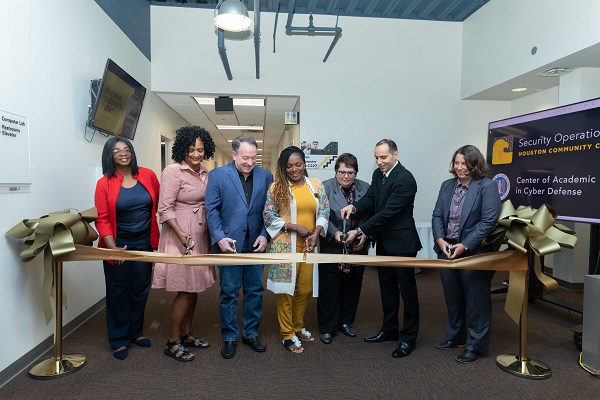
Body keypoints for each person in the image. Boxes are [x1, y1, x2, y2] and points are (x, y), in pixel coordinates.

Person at [341, 138, 421, 358]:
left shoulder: (406, 179)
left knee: (408, 292)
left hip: (403, 244)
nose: (379, 161)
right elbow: (371, 199)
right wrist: (354, 206)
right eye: (376, 157)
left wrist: (360, 231)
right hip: (384, 241)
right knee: (387, 289)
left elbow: (387, 213)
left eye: (383, 157)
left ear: (396, 155)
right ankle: (389, 329)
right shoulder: (378, 175)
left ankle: (409, 338)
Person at [152, 126, 217, 362]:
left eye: (200, 150)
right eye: (191, 150)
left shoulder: (205, 173)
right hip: (180, 236)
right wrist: (180, 233)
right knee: (185, 290)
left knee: (195, 288)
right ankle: (172, 341)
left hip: (199, 235)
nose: (196, 154)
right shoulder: (173, 171)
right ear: (182, 149)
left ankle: (186, 333)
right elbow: (164, 209)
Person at [431, 144, 501, 363]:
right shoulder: (447, 185)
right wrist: (440, 239)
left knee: (475, 300)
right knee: (453, 297)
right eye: (457, 163)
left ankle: (476, 346)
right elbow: (437, 215)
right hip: (447, 249)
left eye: (465, 164)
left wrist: (466, 245)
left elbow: (488, 221)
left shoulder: (487, 186)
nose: (460, 168)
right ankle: (455, 337)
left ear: (475, 164)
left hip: (474, 251)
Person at [205, 136, 273, 359]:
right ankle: (230, 336)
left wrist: (265, 235)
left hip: (255, 244)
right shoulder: (217, 176)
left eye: (254, 158)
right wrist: (219, 237)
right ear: (234, 154)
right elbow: (211, 210)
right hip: (229, 245)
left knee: (255, 291)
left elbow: (269, 210)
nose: (250, 162)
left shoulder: (266, 176)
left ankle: (251, 333)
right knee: (229, 292)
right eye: (245, 158)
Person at [94, 137, 160, 360]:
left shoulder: (148, 175)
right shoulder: (104, 183)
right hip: (118, 244)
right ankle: (119, 340)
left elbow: (159, 204)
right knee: (118, 292)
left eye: (126, 149)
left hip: (145, 243)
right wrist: (114, 249)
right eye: (116, 150)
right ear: (109, 156)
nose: (123, 153)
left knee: (140, 290)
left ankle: (135, 333)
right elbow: (102, 219)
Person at [263, 146, 330, 353]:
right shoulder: (276, 188)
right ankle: (287, 334)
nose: (294, 169)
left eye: (298, 164)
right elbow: (268, 215)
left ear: (304, 164)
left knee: (304, 289)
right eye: (289, 166)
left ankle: (297, 326)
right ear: (283, 168)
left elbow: (324, 210)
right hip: (285, 246)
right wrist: (294, 227)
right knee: (286, 291)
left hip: (309, 245)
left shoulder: (316, 185)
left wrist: (317, 231)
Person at [318, 153, 370, 344]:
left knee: (353, 285)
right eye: (342, 172)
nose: (346, 176)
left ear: (356, 172)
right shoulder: (325, 186)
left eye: (350, 172)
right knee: (330, 287)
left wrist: (363, 234)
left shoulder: (366, 188)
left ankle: (346, 321)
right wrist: (335, 233)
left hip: (358, 245)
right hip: (333, 244)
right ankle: (327, 327)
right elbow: (322, 214)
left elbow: (371, 215)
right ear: (336, 171)